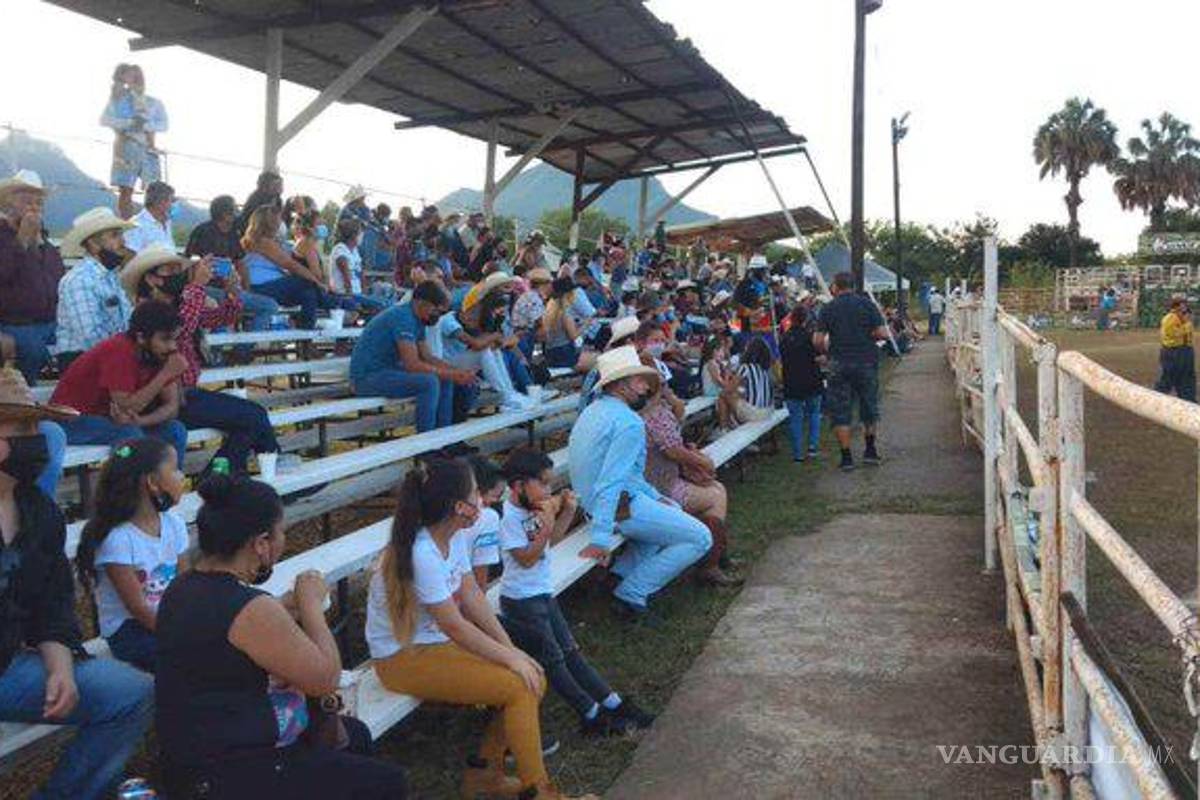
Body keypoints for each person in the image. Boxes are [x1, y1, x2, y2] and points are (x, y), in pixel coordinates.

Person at [155, 474, 409, 799]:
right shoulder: (250, 608)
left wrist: (282, 607)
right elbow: (325, 679)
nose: (282, 539)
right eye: (280, 532)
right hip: (227, 774)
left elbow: (230, 629)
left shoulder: (184, 586)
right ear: (261, 543)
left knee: (354, 736)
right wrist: (311, 604)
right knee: (389, 783)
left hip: (192, 757)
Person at [367, 458, 591, 800]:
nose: (482, 499)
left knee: (533, 675)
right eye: (475, 492)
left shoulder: (452, 534)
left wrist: (511, 652)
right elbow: (455, 625)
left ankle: (486, 775)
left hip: (433, 645)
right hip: (401, 659)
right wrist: (510, 658)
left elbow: (471, 596)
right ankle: (541, 792)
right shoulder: (422, 551)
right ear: (460, 506)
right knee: (520, 685)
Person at [0, 368, 155, 799]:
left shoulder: (39, 511)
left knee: (132, 693)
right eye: (24, 427)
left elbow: (52, 605)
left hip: (8, 666)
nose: (42, 438)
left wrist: (60, 666)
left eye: (36, 425)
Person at [497, 447, 657, 736]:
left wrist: (566, 512)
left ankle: (613, 702)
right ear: (519, 485)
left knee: (571, 651)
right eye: (542, 483)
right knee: (554, 660)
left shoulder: (532, 509)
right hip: (521, 601)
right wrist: (546, 522)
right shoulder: (508, 517)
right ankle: (590, 714)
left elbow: (548, 546)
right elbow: (527, 557)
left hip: (542, 592)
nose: (548, 490)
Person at [569, 346, 711, 623]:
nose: (646, 386)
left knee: (665, 517)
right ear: (621, 385)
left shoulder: (592, 411)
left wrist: (653, 495)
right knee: (701, 538)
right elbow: (611, 481)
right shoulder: (628, 422)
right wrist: (600, 538)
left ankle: (617, 577)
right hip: (617, 507)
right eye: (640, 380)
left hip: (602, 503)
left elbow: (627, 474)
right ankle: (632, 592)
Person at [123, 245, 280, 475]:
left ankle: (224, 474)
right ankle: (265, 467)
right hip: (168, 399)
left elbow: (216, 318)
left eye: (179, 268)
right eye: (170, 269)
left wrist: (232, 294)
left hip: (186, 394)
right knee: (254, 416)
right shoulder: (146, 311)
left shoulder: (180, 302)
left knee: (250, 421)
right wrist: (196, 287)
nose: (178, 274)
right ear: (152, 279)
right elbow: (178, 331)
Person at [76, 437, 187, 673]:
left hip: (166, 618)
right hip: (130, 630)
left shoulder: (174, 524)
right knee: (184, 659)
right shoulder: (118, 540)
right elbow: (138, 609)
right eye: (176, 469)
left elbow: (185, 583)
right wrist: (180, 635)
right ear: (152, 483)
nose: (181, 476)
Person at [51, 300, 189, 467]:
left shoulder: (159, 353)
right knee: (130, 435)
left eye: (175, 339)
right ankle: (128, 491)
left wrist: (140, 421)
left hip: (109, 420)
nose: (172, 346)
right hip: (71, 420)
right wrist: (166, 373)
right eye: (165, 339)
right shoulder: (119, 350)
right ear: (141, 337)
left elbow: (172, 408)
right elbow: (126, 407)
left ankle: (168, 489)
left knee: (175, 430)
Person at [640, 365, 741, 588]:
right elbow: (673, 450)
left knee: (715, 490)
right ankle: (711, 564)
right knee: (717, 495)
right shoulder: (655, 413)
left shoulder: (645, 411)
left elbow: (674, 442)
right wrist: (703, 461)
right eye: (664, 384)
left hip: (651, 483)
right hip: (659, 488)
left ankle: (716, 556)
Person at [349, 280, 475, 432]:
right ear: (421, 303)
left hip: (385, 371)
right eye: (436, 311)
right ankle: (426, 446)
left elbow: (428, 357)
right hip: (366, 377)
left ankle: (444, 440)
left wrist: (458, 372)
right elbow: (412, 364)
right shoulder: (403, 318)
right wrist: (453, 373)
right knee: (429, 382)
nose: (438, 316)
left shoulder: (418, 319)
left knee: (445, 380)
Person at [815, 271, 889, 472]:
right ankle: (870, 451)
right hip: (866, 361)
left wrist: (827, 352)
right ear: (854, 286)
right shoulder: (867, 305)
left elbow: (818, 340)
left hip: (839, 363)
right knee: (868, 406)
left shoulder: (828, 308)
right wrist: (868, 335)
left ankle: (847, 458)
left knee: (840, 411)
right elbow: (882, 333)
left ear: (835, 287)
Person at [184, 194, 280, 341]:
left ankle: (243, 349)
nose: (237, 212)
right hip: (206, 290)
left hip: (230, 290)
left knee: (270, 306)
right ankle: (218, 356)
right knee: (217, 312)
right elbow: (190, 263)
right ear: (225, 214)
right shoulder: (202, 231)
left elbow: (240, 263)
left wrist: (245, 289)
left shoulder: (234, 234)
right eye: (234, 208)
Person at [0, 170, 63, 386]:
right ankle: (26, 397)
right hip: (13, 322)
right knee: (32, 347)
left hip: (50, 322)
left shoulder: (48, 247)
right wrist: (22, 240)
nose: (34, 207)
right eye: (27, 202)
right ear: (9, 205)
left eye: (38, 203)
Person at [55, 207, 137, 365]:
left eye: (121, 234)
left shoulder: (110, 277)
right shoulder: (80, 280)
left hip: (105, 356)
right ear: (93, 243)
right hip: (83, 361)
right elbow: (90, 337)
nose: (123, 241)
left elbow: (126, 323)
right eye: (115, 235)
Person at [241, 204, 328, 329]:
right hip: (261, 287)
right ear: (269, 223)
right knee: (308, 283)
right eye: (278, 220)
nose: (280, 223)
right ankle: (334, 304)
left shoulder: (259, 240)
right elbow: (291, 265)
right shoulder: (263, 241)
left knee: (308, 294)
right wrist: (317, 281)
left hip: (269, 285)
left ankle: (306, 335)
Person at [102, 64, 168, 219]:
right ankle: (126, 225)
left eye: (139, 77)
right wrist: (129, 123)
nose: (137, 81)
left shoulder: (154, 103)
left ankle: (152, 222)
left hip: (148, 149)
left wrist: (145, 125)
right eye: (133, 77)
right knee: (126, 190)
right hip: (127, 146)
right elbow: (105, 119)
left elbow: (164, 124)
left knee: (155, 190)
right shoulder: (119, 101)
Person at [780, 304, 824, 461]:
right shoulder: (810, 337)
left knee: (795, 418)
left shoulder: (784, 338)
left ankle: (797, 454)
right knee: (814, 414)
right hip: (812, 379)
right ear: (805, 319)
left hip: (791, 381)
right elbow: (820, 356)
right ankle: (812, 447)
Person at [329, 218, 387, 314]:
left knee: (385, 293)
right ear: (353, 235)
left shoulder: (355, 250)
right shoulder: (340, 250)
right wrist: (355, 302)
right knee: (381, 305)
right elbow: (346, 278)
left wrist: (364, 294)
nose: (362, 236)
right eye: (360, 233)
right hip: (345, 294)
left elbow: (360, 274)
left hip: (358, 294)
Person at [542, 278, 597, 372]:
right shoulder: (564, 312)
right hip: (564, 352)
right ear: (568, 294)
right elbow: (573, 336)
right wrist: (586, 324)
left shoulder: (550, 307)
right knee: (596, 359)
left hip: (551, 351)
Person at [1155, 295, 1195, 402]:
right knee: (1168, 377)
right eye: (1183, 304)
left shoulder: (1181, 317)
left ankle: (1189, 401)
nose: (1186, 306)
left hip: (1184, 350)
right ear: (1177, 306)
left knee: (1186, 378)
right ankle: (1156, 399)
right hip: (1173, 352)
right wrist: (1187, 325)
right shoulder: (1170, 318)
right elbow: (1173, 334)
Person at [700, 335, 740, 433]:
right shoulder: (711, 363)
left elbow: (724, 381)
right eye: (721, 351)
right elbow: (718, 381)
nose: (723, 353)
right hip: (711, 391)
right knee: (730, 394)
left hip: (716, 389)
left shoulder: (718, 363)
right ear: (714, 351)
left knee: (733, 392)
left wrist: (727, 372)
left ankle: (729, 422)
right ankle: (725, 425)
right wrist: (729, 382)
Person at [123, 180, 175, 253]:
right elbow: (131, 255)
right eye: (171, 200)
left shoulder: (167, 222)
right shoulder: (136, 225)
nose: (172, 204)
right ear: (161, 201)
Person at [734, 336, 776, 424]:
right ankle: (732, 427)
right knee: (739, 395)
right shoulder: (766, 370)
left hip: (754, 414)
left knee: (724, 396)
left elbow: (730, 388)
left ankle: (724, 428)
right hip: (768, 411)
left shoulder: (745, 368)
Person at [235, 171, 284, 237]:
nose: (279, 187)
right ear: (265, 185)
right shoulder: (255, 198)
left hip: (270, 233)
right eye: (275, 184)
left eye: (279, 184)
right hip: (253, 232)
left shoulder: (277, 199)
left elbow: (280, 218)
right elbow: (251, 221)